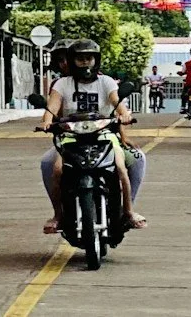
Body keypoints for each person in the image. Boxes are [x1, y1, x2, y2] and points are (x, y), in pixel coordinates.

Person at [39, 36, 145, 233]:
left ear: (96, 60)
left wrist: (124, 116)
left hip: (104, 134)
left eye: (89, 58)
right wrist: (46, 121)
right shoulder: (62, 84)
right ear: (72, 60)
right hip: (70, 136)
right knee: (56, 169)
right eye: (80, 59)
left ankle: (128, 211)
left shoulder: (106, 82)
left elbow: (117, 104)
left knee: (120, 166)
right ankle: (58, 215)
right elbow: (52, 107)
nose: (85, 63)